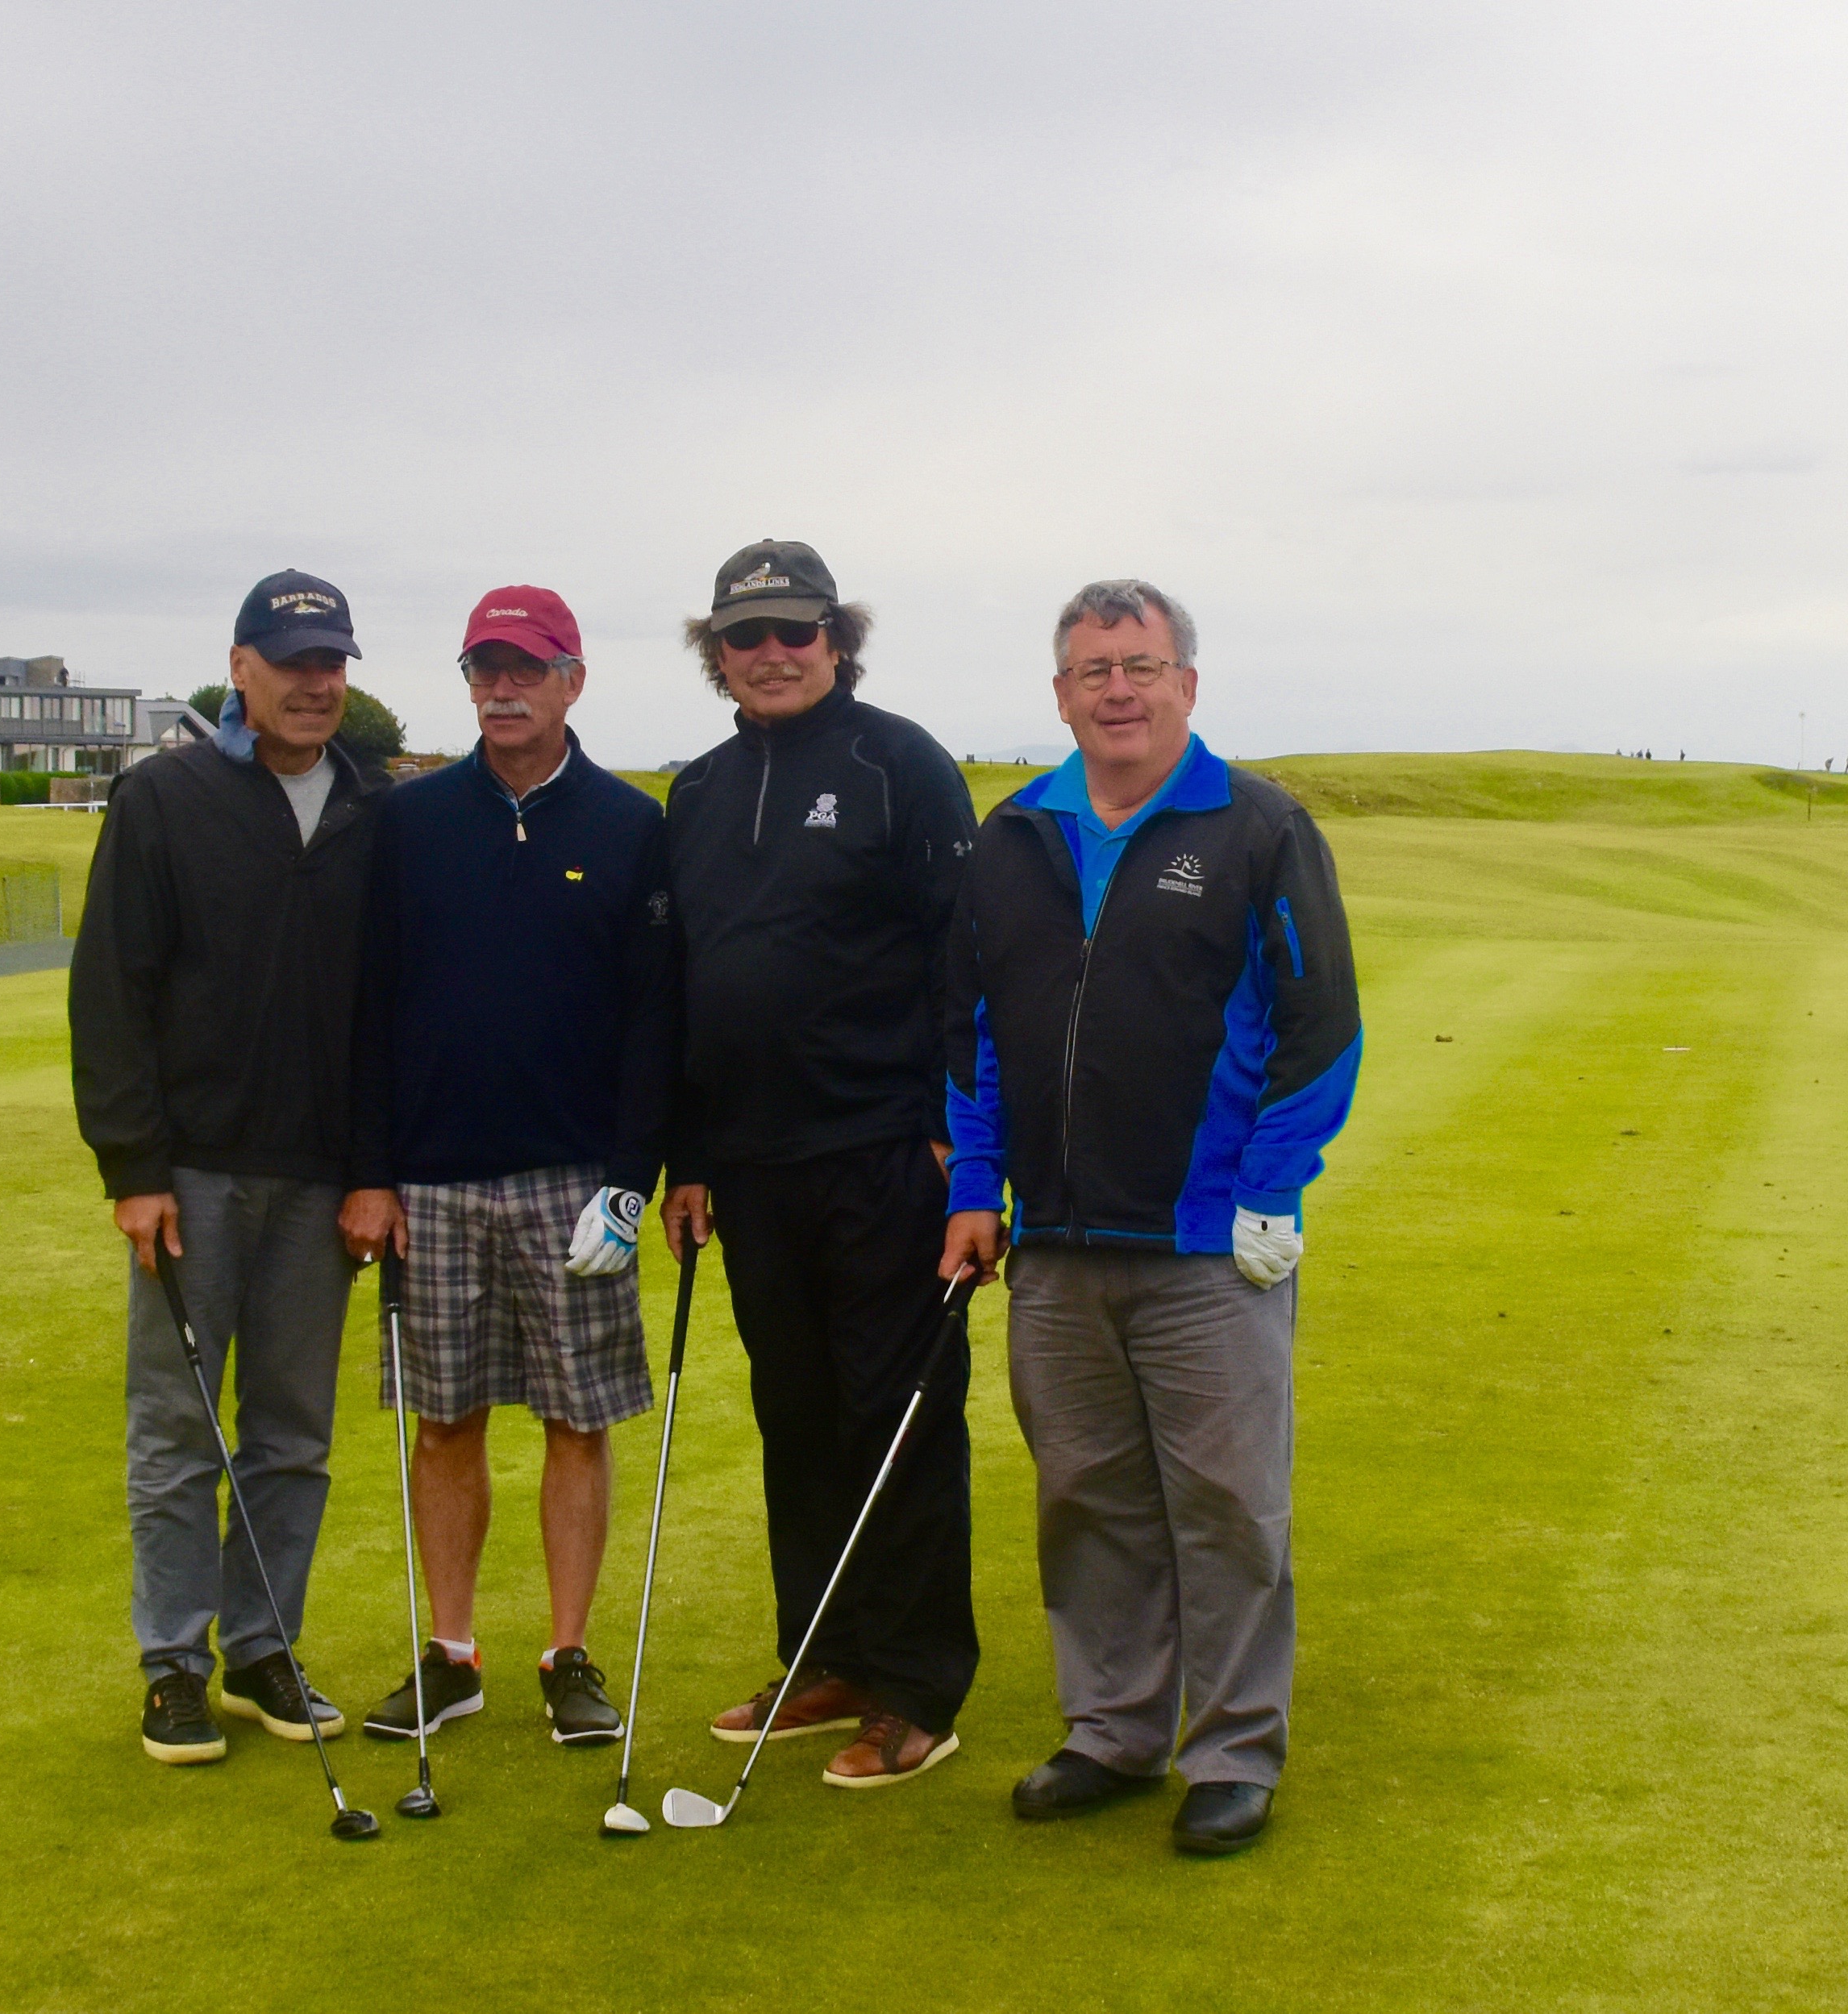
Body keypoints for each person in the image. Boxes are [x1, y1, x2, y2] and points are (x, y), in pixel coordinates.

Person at [941, 578, 1363, 1857]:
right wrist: (972, 1186)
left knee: (1226, 1501)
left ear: (1187, 679)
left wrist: (1270, 1190)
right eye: (1090, 670)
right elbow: (973, 1037)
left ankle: (1232, 1748)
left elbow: (1320, 1024)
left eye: (1139, 664)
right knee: (1086, 1494)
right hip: (1057, 1243)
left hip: (1205, 1244)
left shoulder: (1256, 825)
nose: (1115, 689)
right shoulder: (1013, 834)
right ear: (1058, 692)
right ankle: (1111, 1730)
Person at [656, 539, 985, 1790]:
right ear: (717, 655)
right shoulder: (694, 791)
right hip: (750, 1165)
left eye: (796, 632)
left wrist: (965, 1149)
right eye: (746, 637)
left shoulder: (897, 764)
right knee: (794, 1417)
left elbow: (964, 960)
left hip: (886, 1151)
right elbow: (685, 986)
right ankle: (825, 1654)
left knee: (896, 1419)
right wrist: (688, 1152)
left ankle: (914, 1686)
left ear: (836, 641)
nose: (772, 653)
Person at [350, 585, 681, 1748]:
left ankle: (568, 1650)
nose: (502, 688)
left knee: (574, 1421)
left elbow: (655, 1022)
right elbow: (369, 1005)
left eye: (525, 669)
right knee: (443, 1420)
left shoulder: (631, 826)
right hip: (431, 1177)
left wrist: (631, 1177)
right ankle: (451, 1652)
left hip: (571, 1178)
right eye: (484, 669)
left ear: (572, 681)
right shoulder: (411, 819)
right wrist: (370, 1171)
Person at [69, 568, 387, 1766]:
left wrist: (374, 1168)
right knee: (177, 1428)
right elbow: (112, 992)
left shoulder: (368, 808)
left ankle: (263, 1644)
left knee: (293, 1431)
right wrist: (132, 1168)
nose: (316, 683)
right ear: (240, 666)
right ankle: (172, 1661)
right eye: (293, 660)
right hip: (192, 1171)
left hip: (320, 1180)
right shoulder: (163, 798)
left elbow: (381, 1015)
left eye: (333, 662)